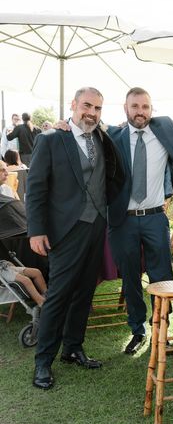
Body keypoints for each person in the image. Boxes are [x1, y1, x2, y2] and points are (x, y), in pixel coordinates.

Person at [27, 86, 125, 390]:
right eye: (86, 106)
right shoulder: (52, 139)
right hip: (65, 230)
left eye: (97, 108)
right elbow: (36, 187)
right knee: (58, 295)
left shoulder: (101, 136)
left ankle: (72, 348)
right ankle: (43, 361)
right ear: (73, 105)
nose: (91, 113)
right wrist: (36, 230)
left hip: (97, 226)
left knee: (85, 291)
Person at [106, 87, 173, 355]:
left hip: (156, 218)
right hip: (123, 220)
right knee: (130, 279)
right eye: (135, 106)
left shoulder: (163, 130)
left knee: (163, 277)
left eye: (145, 107)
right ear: (125, 108)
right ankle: (137, 330)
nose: (140, 112)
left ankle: (161, 330)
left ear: (151, 109)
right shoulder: (112, 136)